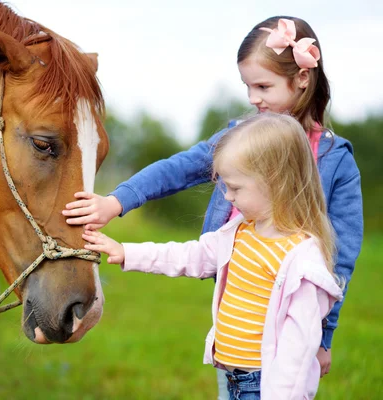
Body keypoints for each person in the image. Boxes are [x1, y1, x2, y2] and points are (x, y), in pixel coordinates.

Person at [62, 16, 363, 398]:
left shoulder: (336, 159)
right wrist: (116, 202)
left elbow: (342, 258)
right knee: (234, 379)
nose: (253, 98)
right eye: (248, 86)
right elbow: (179, 169)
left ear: (302, 78)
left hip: (292, 305)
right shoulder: (238, 136)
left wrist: (324, 336)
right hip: (238, 294)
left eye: (263, 86)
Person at [83, 113, 344, 399]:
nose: (228, 198)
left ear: (275, 182)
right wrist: (126, 253)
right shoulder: (239, 233)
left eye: (235, 188)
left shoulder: (302, 261)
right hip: (234, 381)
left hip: (264, 388)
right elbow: (188, 256)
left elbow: (298, 352)